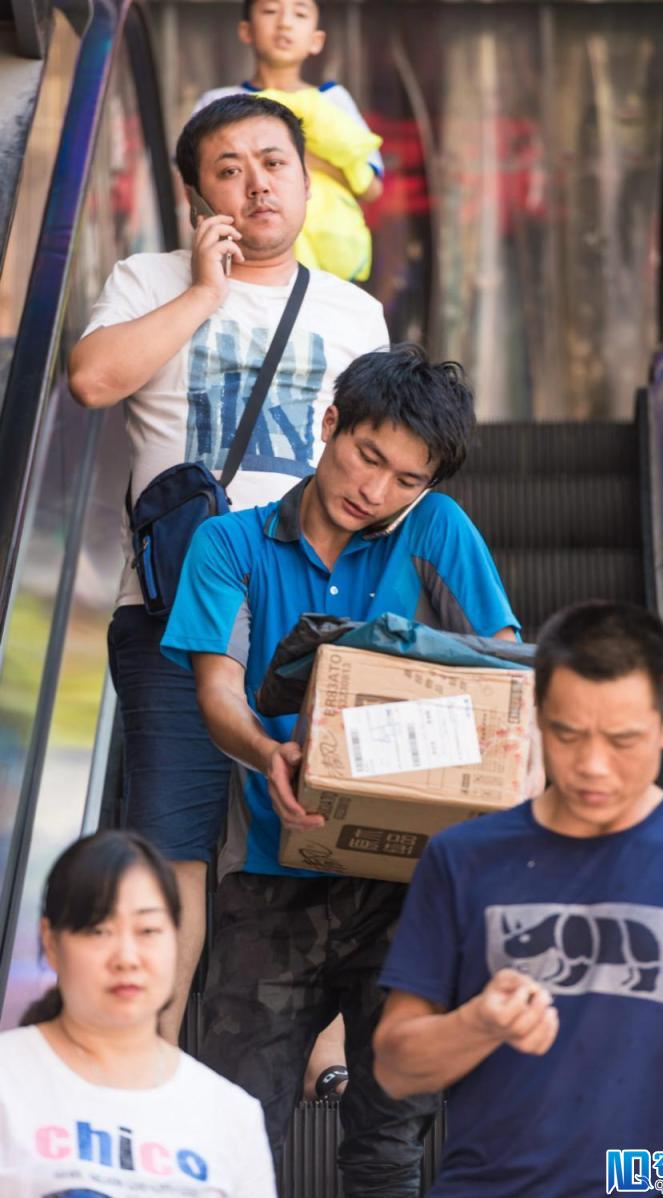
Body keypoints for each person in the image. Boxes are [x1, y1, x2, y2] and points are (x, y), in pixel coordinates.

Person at [160, 343, 521, 1194]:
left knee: (389, 1139)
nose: (377, 490)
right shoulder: (228, 543)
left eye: (406, 479)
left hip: (409, 884)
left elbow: (505, 670)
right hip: (270, 870)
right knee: (236, 1124)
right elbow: (216, 691)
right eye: (368, 456)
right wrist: (272, 752)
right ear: (330, 425)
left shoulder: (437, 530)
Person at [67, 93, 389, 1046]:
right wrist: (205, 295)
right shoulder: (146, 277)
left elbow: (382, 469)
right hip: (171, 609)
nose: (256, 185)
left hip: (314, 608)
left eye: (273, 162)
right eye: (228, 169)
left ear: (304, 174)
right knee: (176, 847)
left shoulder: (352, 311)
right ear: (195, 191)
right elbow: (90, 381)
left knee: (319, 824)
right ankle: (155, 1056)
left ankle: (323, 1045)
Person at [373, 600, 663, 1198]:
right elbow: (394, 1069)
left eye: (623, 740)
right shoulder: (463, 858)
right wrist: (478, 1023)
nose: (593, 766)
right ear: (538, 719)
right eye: (568, 736)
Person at [0, 829, 276, 1198]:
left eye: (148, 930)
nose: (127, 957)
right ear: (51, 942)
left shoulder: (231, 1112)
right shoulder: (9, 1077)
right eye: (99, 930)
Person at [193, 0, 383, 281]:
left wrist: (298, 161)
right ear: (246, 31)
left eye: (300, 13)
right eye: (270, 11)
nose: (284, 22)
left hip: (330, 272)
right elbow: (190, 188)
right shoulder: (218, 102)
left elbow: (372, 188)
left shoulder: (332, 100)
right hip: (238, 267)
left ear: (316, 41)